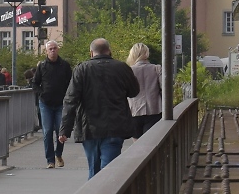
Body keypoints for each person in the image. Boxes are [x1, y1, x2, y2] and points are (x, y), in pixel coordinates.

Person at [59, 38, 141, 179]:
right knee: (109, 170)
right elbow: (134, 91)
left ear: (91, 53)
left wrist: (65, 129)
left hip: (89, 127)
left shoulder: (81, 69)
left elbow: (71, 100)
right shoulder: (122, 68)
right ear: (109, 51)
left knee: (94, 168)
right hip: (115, 125)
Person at [32, 40, 73, 168]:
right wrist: (41, 93)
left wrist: (68, 96)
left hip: (61, 103)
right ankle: (50, 160)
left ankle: (58, 154)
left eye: (55, 48)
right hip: (46, 103)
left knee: (60, 131)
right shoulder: (42, 66)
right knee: (47, 131)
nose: (53, 51)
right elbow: (35, 83)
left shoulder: (65, 66)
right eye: (50, 49)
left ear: (58, 49)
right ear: (46, 51)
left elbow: (71, 83)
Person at [125, 43, 163, 138]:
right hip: (154, 111)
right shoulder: (157, 69)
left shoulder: (128, 71)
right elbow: (165, 88)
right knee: (151, 142)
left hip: (134, 111)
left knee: (137, 144)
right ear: (147, 53)